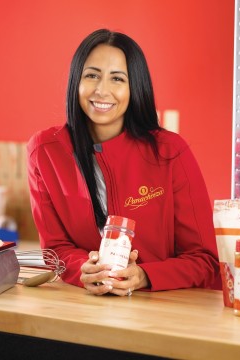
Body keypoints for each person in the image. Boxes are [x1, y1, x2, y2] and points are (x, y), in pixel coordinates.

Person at [27, 28, 220, 296]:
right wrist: (84, 269)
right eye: (92, 75)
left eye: (117, 79)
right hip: (86, 309)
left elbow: (205, 260)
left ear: (135, 87)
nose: (101, 90)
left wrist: (144, 276)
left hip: (165, 310)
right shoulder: (45, 151)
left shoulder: (170, 151)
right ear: (76, 81)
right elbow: (56, 249)